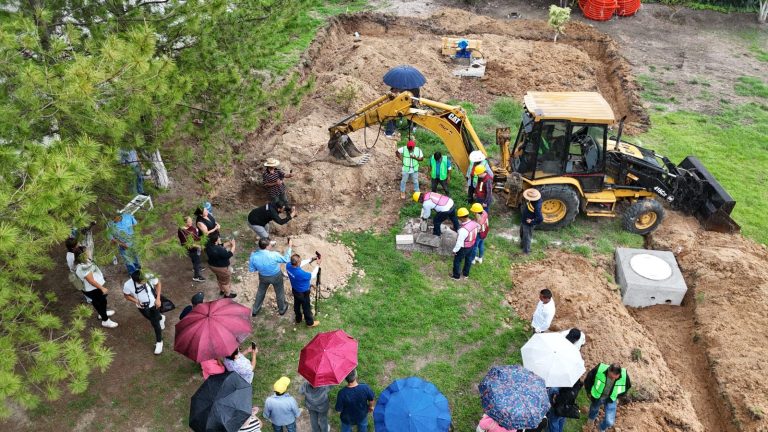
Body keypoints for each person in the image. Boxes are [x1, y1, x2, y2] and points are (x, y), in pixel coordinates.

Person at [123, 270, 166, 354]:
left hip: (154, 304)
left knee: (155, 323)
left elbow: (158, 284)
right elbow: (126, 296)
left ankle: (159, 342)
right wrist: (136, 301)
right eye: (142, 282)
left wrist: (158, 299)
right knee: (149, 317)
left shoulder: (148, 276)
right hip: (142, 307)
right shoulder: (128, 285)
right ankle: (161, 317)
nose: (145, 282)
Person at [249, 238, 292, 316]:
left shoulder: (253, 256)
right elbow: (286, 259)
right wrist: (289, 247)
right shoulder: (274, 254)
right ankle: (282, 309)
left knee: (261, 292)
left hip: (263, 277)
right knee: (279, 292)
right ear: (267, 246)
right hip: (276, 276)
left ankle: (255, 310)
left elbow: (252, 269)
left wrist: (259, 268)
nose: (271, 245)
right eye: (270, 244)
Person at [74, 253, 118, 328]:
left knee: (98, 302)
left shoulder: (81, 263)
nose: (87, 252)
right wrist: (102, 288)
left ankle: (102, 314)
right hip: (93, 289)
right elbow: (91, 281)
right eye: (85, 252)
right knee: (101, 302)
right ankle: (105, 321)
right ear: (82, 256)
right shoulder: (84, 267)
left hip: (91, 288)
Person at [584, 363, 632, 432]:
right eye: (610, 376)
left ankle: (601, 427)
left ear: (619, 374)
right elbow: (589, 378)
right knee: (594, 409)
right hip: (598, 396)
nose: (612, 379)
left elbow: (626, 387)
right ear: (608, 370)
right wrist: (589, 391)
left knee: (610, 422)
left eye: (615, 378)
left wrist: (618, 396)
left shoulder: (624, 376)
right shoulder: (600, 369)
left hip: (611, 398)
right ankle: (591, 419)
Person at [286, 253, 321, 328]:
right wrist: (318, 265)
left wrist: (311, 259)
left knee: (297, 304)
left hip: (295, 290)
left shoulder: (288, 266)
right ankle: (309, 323)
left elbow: (300, 264)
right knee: (306, 308)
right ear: (297, 263)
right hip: (303, 292)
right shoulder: (301, 274)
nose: (301, 262)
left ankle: (298, 319)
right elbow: (313, 275)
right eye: (300, 261)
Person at [451, 207, 479, 280]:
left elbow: (459, 243)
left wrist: (454, 250)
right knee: (468, 260)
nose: (458, 218)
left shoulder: (463, 230)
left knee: (457, 261)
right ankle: (465, 274)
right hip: (472, 245)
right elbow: (478, 230)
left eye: (459, 217)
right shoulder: (474, 223)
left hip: (464, 248)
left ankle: (456, 276)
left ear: (461, 218)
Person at [179, 216, 205, 282]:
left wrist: (196, 231)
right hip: (192, 249)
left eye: (191, 221)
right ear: (185, 222)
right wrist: (198, 246)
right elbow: (186, 243)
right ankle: (196, 276)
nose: (191, 222)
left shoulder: (190, 226)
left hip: (196, 245)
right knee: (196, 260)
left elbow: (194, 232)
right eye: (189, 222)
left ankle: (196, 267)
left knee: (196, 259)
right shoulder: (182, 231)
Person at [520, 188, 543, 255]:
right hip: (524, 220)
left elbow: (540, 218)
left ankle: (526, 252)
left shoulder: (537, 206)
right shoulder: (533, 200)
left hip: (528, 224)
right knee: (522, 233)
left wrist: (532, 221)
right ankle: (522, 245)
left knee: (527, 237)